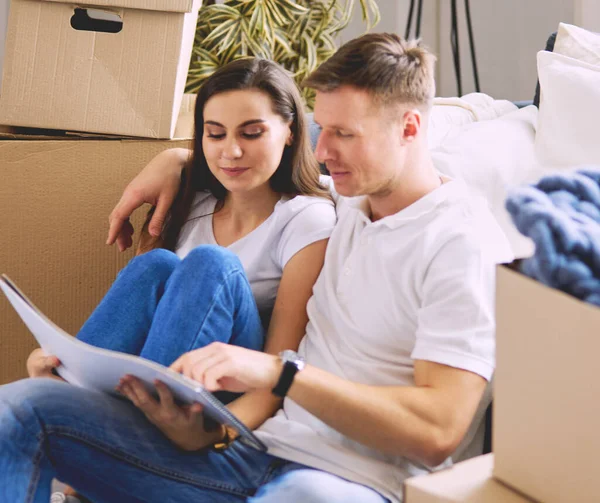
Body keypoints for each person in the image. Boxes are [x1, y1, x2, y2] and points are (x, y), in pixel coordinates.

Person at [0, 33, 513, 503]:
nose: (322, 151)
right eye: (320, 129)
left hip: (346, 478)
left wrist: (281, 372)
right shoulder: (353, 198)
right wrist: (176, 161)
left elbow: (438, 432)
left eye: (343, 135)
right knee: (23, 408)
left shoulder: (461, 245)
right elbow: (251, 167)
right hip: (247, 448)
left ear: (409, 128)